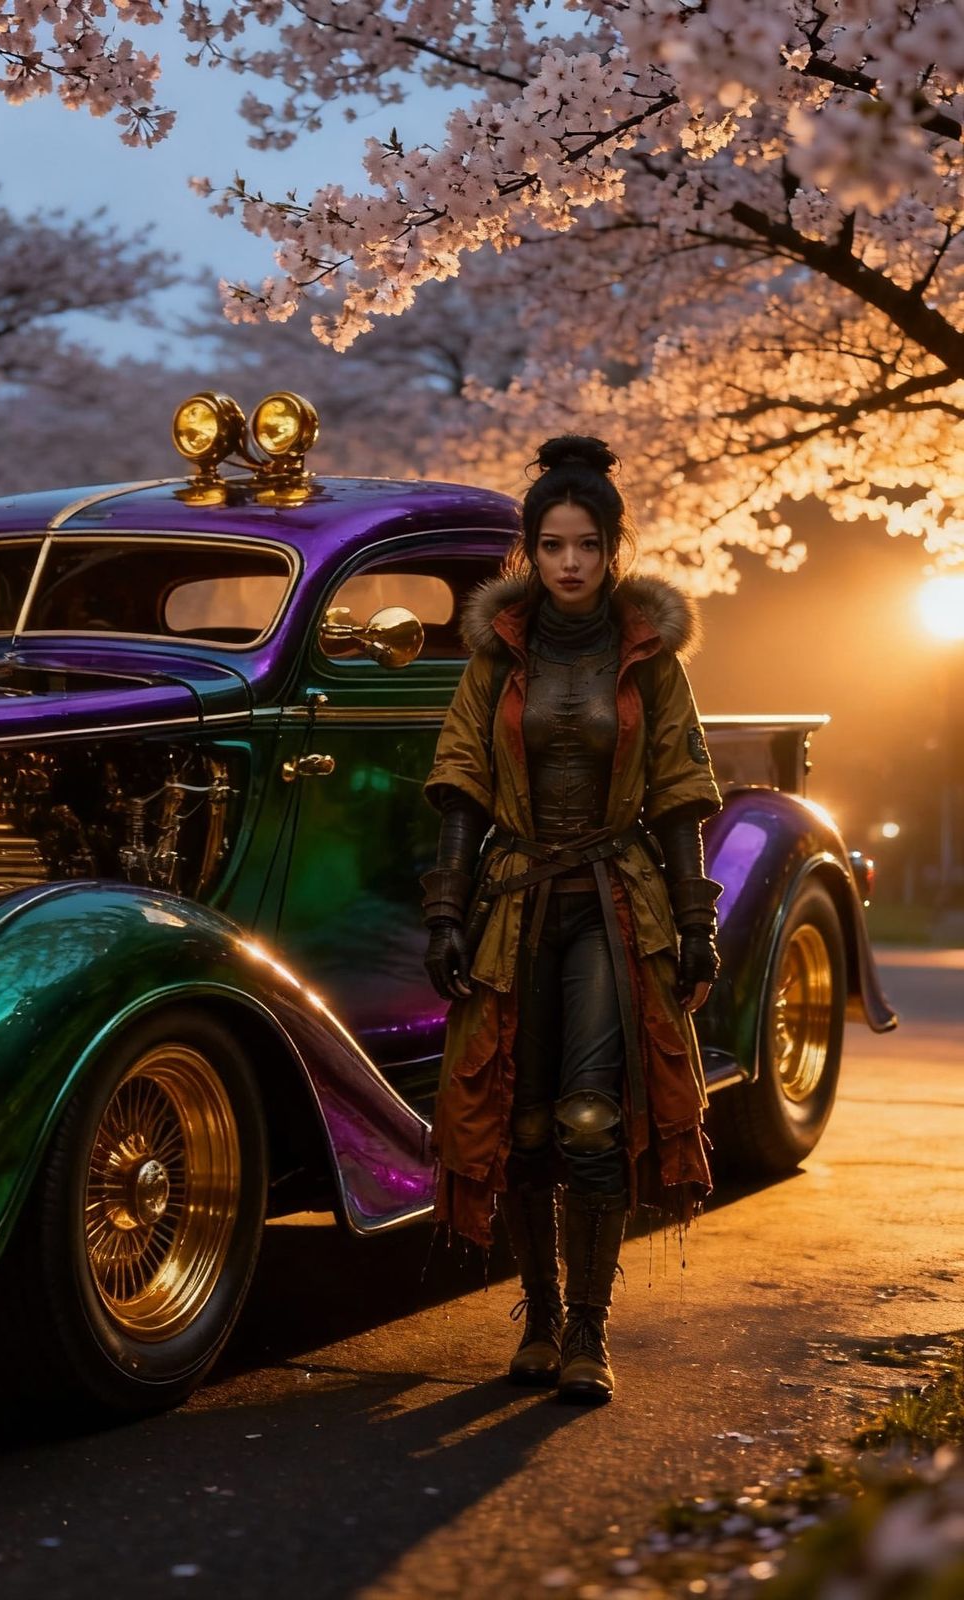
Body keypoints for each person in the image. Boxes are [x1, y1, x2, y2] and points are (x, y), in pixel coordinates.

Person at [419, 435, 723, 1404]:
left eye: (587, 544)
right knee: (521, 1115)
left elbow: (679, 791)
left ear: (612, 548)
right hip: (512, 896)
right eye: (551, 544)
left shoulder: (650, 660)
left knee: (592, 1116)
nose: (570, 563)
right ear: (529, 550)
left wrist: (694, 920)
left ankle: (591, 1331)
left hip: (611, 896)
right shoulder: (493, 655)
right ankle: (540, 1320)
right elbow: (461, 783)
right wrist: (445, 911)